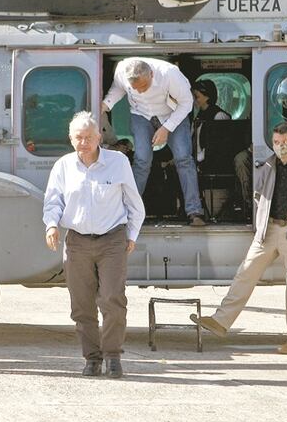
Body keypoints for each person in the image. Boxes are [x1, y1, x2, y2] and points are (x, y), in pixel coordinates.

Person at [191, 122, 287, 354]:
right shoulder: (267, 165)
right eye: (277, 143)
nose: (282, 147)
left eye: (286, 142)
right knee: (245, 273)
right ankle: (221, 322)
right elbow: (259, 195)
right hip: (268, 230)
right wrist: (260, 223)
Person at [44, 112, 145, 378]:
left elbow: (134, 204)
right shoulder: (63, 166)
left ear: (99, 137)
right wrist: (51, 225)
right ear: (70, 139)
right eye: (78, 137)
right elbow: (53, 201)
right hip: (77, 241)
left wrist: (132, 235)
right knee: (82, 305)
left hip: (112, 239)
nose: (84, 142)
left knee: (112, 299)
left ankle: (112, 356)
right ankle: (92, 358)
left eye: (89, 137)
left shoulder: (118, 162)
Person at [102, 57, 205, 226]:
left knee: (183, 158)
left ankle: (194, 211)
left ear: (151, 73)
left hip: (172, 114)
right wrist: (105, 106)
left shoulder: (170, 74)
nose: (141, 92)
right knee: (142, 160)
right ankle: (128, 213)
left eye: (144, 86)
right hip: (141, 115)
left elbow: (186, 104)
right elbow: (118, 89)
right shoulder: (121, 69)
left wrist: (167, 128)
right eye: (135, 89)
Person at [191, 78, 230, 168]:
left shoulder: (219, 116)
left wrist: (197, 159)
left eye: (197, 97)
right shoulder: (198, 116)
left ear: (207, 97)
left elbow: (216, 145)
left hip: (211, 162)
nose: (194, 101)